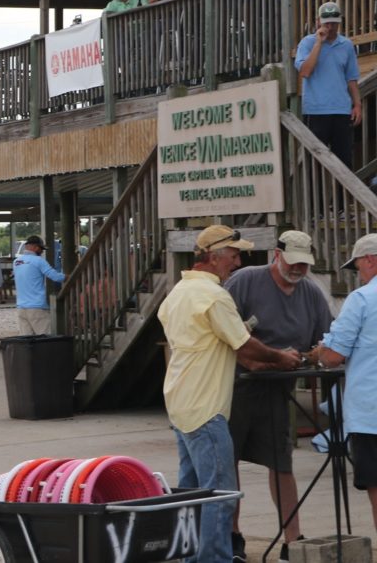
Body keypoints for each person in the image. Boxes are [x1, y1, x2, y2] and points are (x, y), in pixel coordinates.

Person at [157, 226, 301, 563]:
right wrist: (281, 357)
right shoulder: (214, 297)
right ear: (213, 256)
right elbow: (244, 344)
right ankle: (214, 558)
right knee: (219, 493)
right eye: (233, 255)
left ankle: (192, 556)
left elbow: (228, 349)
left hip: (180, 403)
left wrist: (259, 361)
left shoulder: (178, 292)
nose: (237, 262)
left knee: (192, 492)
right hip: (206, 409)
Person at [224, 230, 332, 562]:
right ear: (277, 254)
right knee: (229, 463)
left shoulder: (311, 294)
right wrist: (265, 359)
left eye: (304, 263)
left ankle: (292, 537)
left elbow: (326, 341)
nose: (299, 269)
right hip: (236, 388)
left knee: (281, 462)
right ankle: (232, 537)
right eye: (294, 262)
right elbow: (226, 335)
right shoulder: (244, 281)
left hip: (278, 390)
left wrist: (310, 356)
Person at [315, 233, 377, 532]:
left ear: (370, 260)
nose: (359, 274)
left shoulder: (363, 298)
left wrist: (318, 352)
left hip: (371, 414)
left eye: (358, 267)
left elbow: (334, 356)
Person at [295, 1, 361, 169]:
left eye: (334, 22)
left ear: (339, 22)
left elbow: (351, 78)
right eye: (327, 23)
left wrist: (357, 105)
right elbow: (305, 71)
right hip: (316, 111)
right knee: (315, 164)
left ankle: (341, 196)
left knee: (345, 162)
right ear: (318, 22)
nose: (330, 26)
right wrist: (319, 43)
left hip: (341, 110)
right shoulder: (307, 43)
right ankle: (314, 196)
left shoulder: (346, 45)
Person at [13, 236, 66, 336]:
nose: (42, 252)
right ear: (36, 247)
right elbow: (55, 277)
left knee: (27, 343)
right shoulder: (39, 261)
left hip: (21, 307)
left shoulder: (16, 262)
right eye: (41, 249)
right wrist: (68, 277)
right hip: (37, 307)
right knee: (45, 339)